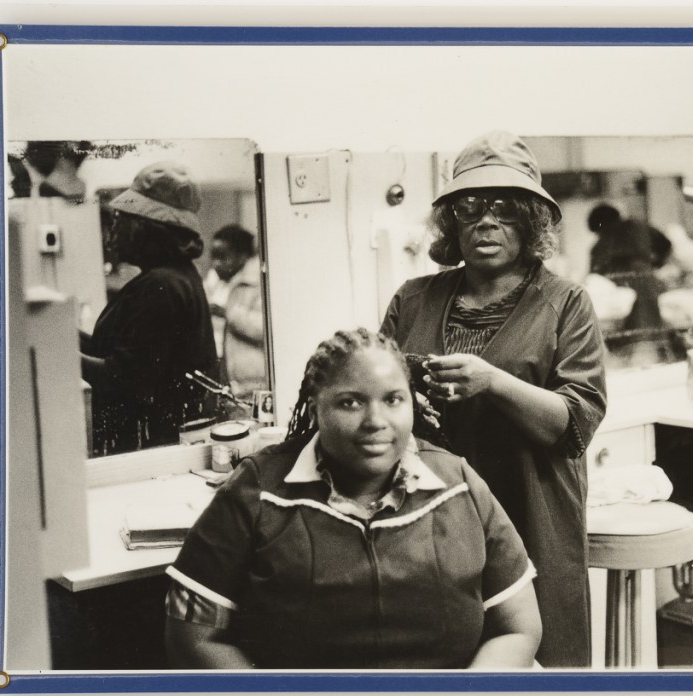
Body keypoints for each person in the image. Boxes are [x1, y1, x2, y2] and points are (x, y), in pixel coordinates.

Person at [165, 328, 541, 669]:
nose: (376, 420)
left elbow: (519, 628)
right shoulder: (256, 490)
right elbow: (193, 636)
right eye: (350, 403)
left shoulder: (459, 485)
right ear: (314, 409)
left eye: (393, 400)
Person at [380, 130, 607, 667]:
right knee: (441, 667)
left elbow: (574, 422)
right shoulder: (413, 299)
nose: (486, 221)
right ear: (451, 222)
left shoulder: (566, 303)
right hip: (429, 519)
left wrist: (494, 382)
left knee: (537, 671)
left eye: (505, 208)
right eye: (470, 207)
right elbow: (378, 396)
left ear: (530, 221)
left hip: (529, 514)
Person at [80, 162, 218, 455]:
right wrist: (57, 334)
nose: (112, 231)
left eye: (120, 220)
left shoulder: (161, 286)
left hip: (151, 451)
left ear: (145, 227)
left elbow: (123, 378)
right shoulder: (176, 276)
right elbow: (120, 352)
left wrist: (58, 354)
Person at [203, 224, 267, 410]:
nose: (216, 264)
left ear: (242, 256)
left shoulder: (257, 284)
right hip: (234, 385)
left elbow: (264, 329)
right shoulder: (221, 283)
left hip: (256, 384)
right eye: (214, 257)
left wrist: (228, 313)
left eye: (223, 257)